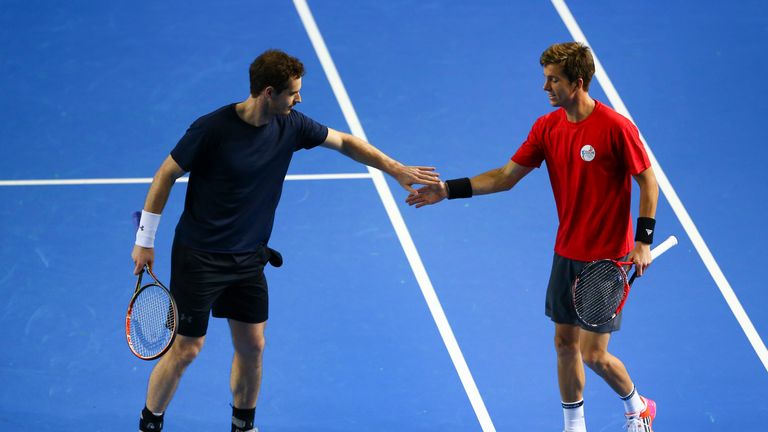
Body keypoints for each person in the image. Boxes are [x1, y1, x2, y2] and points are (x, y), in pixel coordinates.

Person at [131, 49, 440, 432]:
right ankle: (151, 422)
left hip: (248, 260)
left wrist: (396, 169)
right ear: (268, 92)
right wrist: (145, 240)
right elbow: (165, 175)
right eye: (293, 93)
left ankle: (243, 425)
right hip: (200, 258)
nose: (299, 99)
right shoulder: (212, 129)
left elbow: (345, 142)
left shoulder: (291, 125)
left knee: (253, 346)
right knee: (187, 349)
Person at [406, 42, 659, 432]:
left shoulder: (616, 128)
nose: (545, 88)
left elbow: (647, 180)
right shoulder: (547, 128)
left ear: (577, 83)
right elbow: (505, 177)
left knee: (594, 355)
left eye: (552, 80)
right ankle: (574, 426)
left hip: (608, 258)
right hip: (567, 251)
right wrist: (447, 190)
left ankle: (638, 406)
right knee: (563, 345)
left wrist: (643, 241)